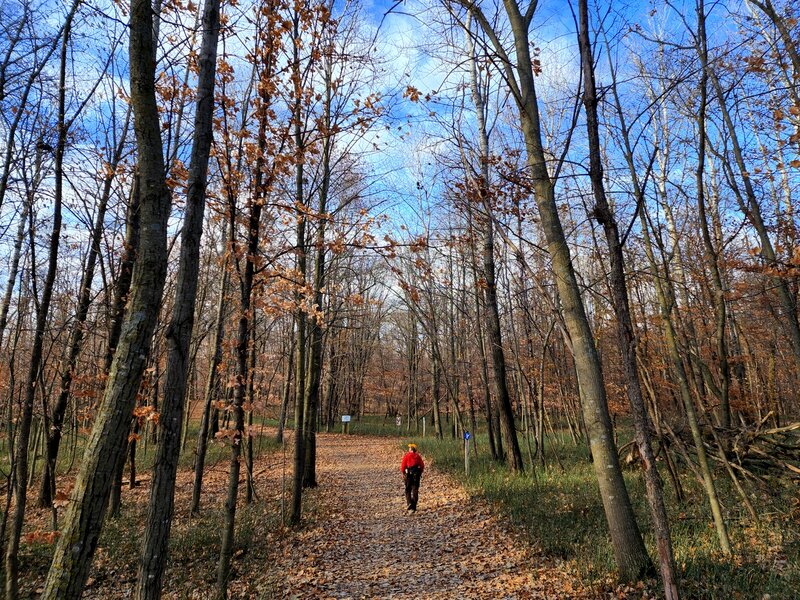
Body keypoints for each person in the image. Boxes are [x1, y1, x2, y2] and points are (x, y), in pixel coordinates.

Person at [400, 443, 425, 513]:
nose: (408, 449)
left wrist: (403, 473)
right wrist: (420, 472)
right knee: (415, 489)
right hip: (416, 475)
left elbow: (402, 466)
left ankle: (409, 503)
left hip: (408, 475)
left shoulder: (407, 456)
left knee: (408, 489)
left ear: (411, 449)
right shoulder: (418, 456)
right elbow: (422, 465)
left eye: (409, 448)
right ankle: (414, 506)